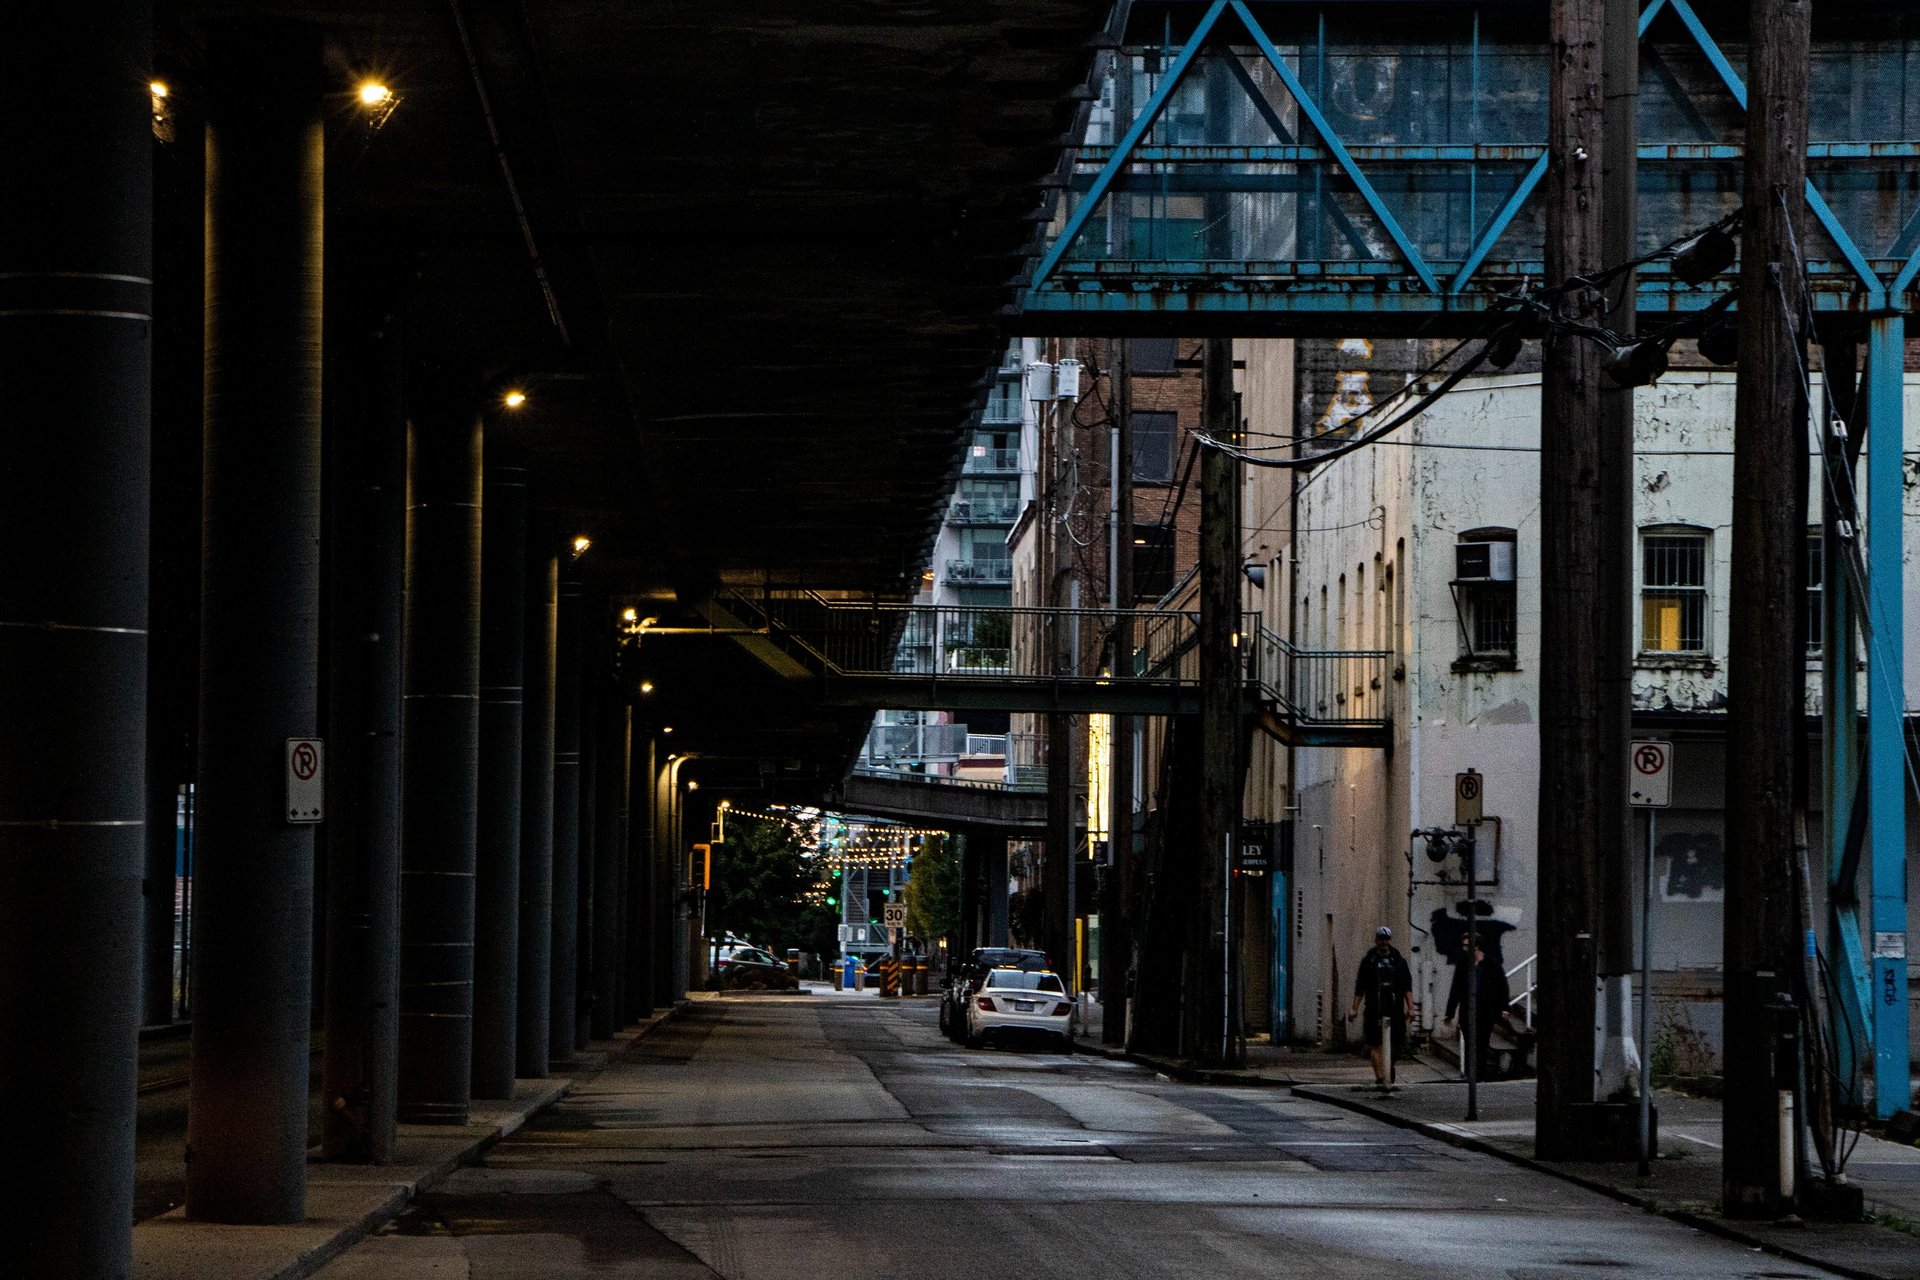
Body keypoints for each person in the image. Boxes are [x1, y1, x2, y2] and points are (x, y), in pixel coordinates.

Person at [1349, 925, 1413, 1085]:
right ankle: (1381, 1078)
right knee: (1375, 1044)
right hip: (1373, 1009)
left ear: (1390, 940)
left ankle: (1387, 1066)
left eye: (1386, 939)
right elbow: (1360, 986)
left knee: (1397, 1045)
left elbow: (1407, 986)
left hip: (1395, 1009)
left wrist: (1410, 1008)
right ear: (1376, 940)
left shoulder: (1399, 961)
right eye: (1381, 939)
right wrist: (1354, 1008)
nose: (1384, 942)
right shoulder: (1369, 961)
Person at [1444, 934, 1512, 1082]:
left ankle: (1479, 1075)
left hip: (1485, 1011)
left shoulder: (1491, 964)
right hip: (1468, 1011)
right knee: (1470, 1043)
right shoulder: (1463, 965)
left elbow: (1502, 987)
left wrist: (1504, 1008)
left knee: (1482, 1043)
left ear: (1476, 946)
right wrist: (1450, 1012)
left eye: (1466, 945)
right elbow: (1456, 989)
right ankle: (1471, 1075)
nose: (1463, 949)